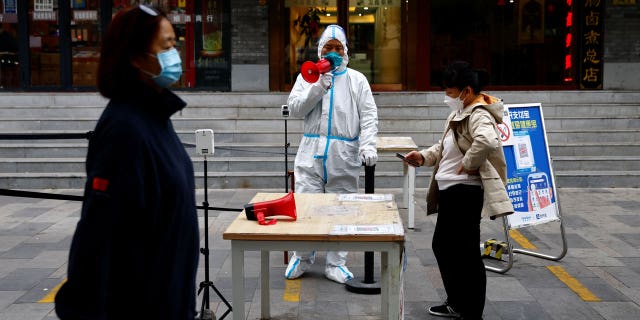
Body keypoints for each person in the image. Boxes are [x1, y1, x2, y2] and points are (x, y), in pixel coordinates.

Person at [54, 5, 199, 319]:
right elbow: (100, 237)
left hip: (170, 302)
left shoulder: (155, 117)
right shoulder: (124, 130)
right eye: (166, 45)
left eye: (176, 43)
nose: (175, 53)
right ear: (136, 58)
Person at [403, 61, 514, 319]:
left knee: (463, 252)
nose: (446, 96)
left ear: (465, 91)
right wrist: (422, 156)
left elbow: (487, 140)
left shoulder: (478, 113)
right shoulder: (460, 113)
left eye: (449, 91)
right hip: (452, 191)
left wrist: (468, 164)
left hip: (465, 192)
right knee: (445, 247)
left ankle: (471, 311)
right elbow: (445, 148)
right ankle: (458, 302)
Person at [285, 24, 378, 284]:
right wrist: (317, 86)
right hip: (311, 151)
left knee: (343, 209)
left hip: (344, 152)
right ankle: (302, 257)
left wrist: (368, 145)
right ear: (320, 50)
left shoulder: (357, 80)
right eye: (329, 47)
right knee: (305, 206)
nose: (333, 52)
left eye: (338, 48)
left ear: (346, 51)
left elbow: (369, 116)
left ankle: (336, 263)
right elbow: (295, 109)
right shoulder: (307, 76)